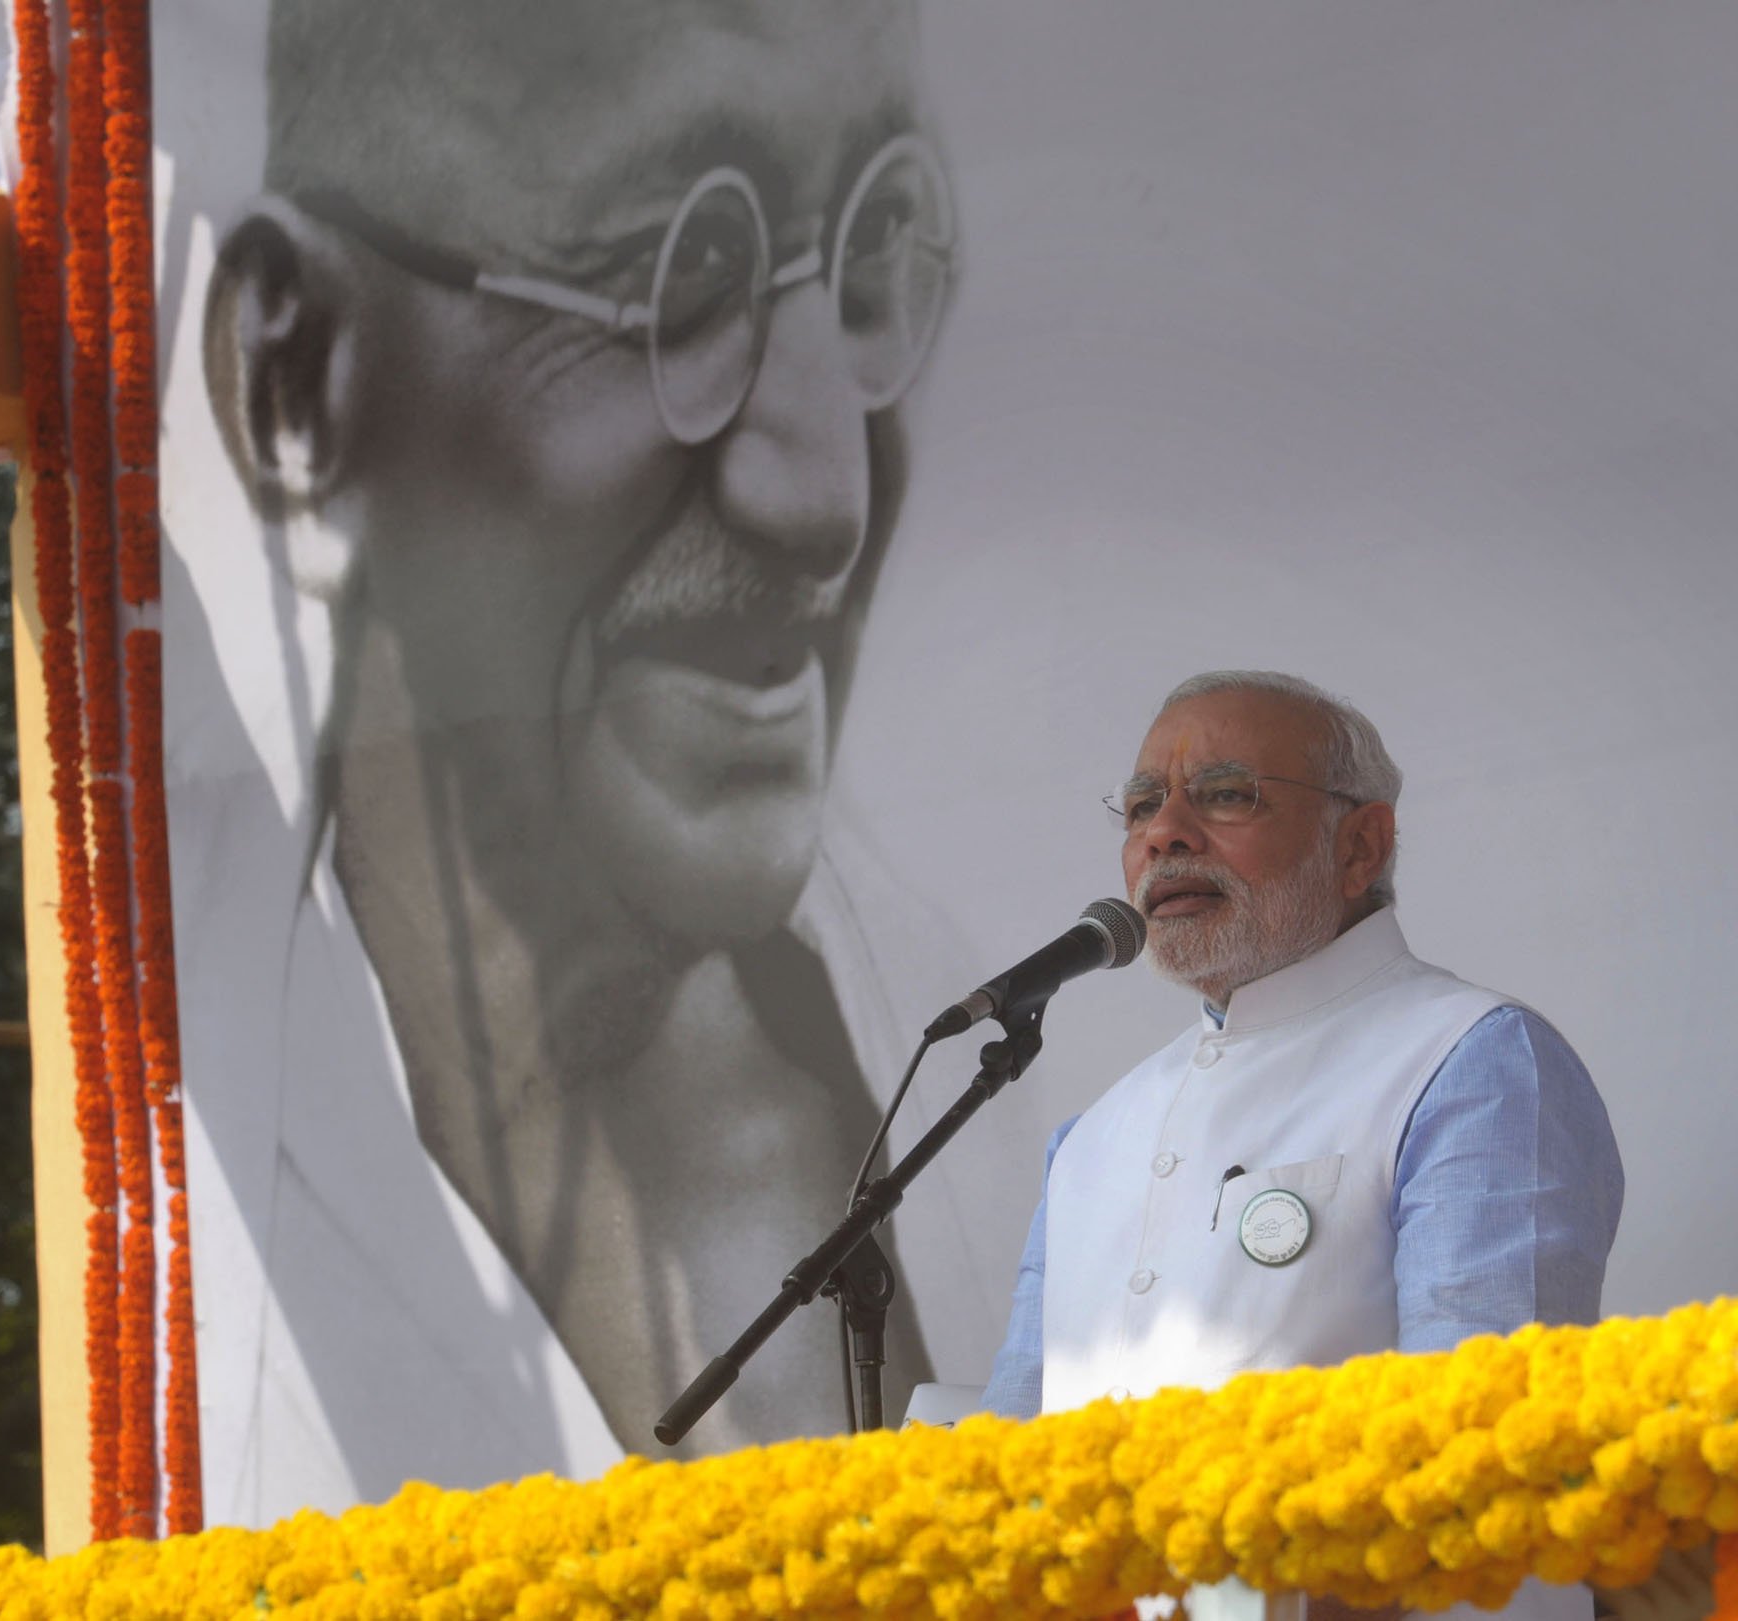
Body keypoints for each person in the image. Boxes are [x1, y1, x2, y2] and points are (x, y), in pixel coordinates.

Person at [200, 0, 958, 1462]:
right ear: (297, 382)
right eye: (676, 279)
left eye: (868, 259)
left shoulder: (1032, 1062)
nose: (826, 498)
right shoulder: (178, 1144)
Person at [985, 670, 1624, 1621]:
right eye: (1143, 805)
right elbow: (997, 1462)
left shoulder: (1470, 1058)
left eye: (1226, 794)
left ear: (1360, 844)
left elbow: (1483, 1462)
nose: (1164, 832)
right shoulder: (1093, 1136)